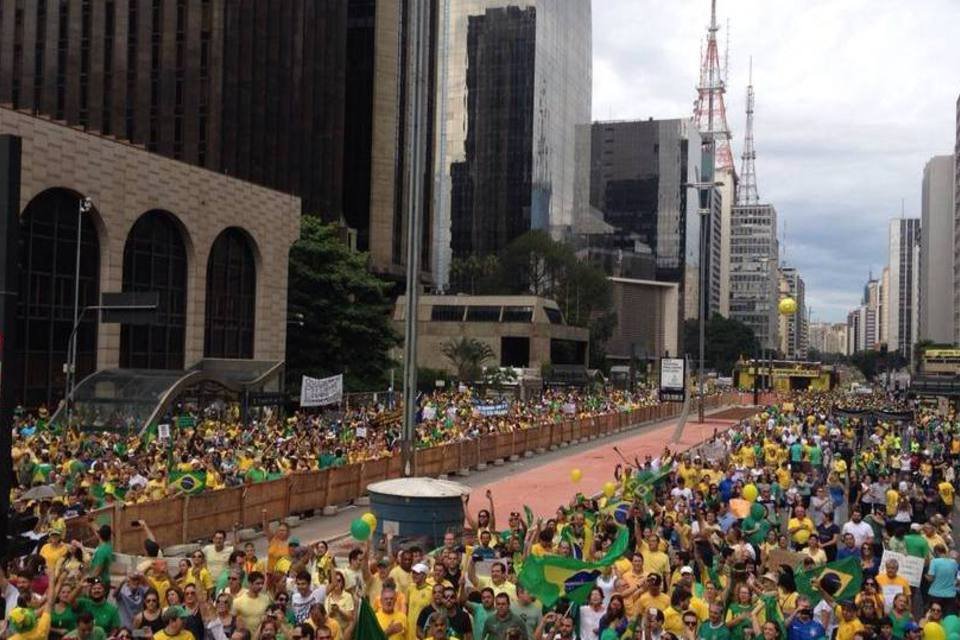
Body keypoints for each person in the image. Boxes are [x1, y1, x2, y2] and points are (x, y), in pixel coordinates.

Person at [925, 545, 957, 615]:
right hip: (950, 595)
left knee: (933, 616)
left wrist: (925, 575)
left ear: (936, 552)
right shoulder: (954, 562)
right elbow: (955, 577)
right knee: (948, 617)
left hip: (935, 594)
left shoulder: (934, 561)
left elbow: (931, 579)